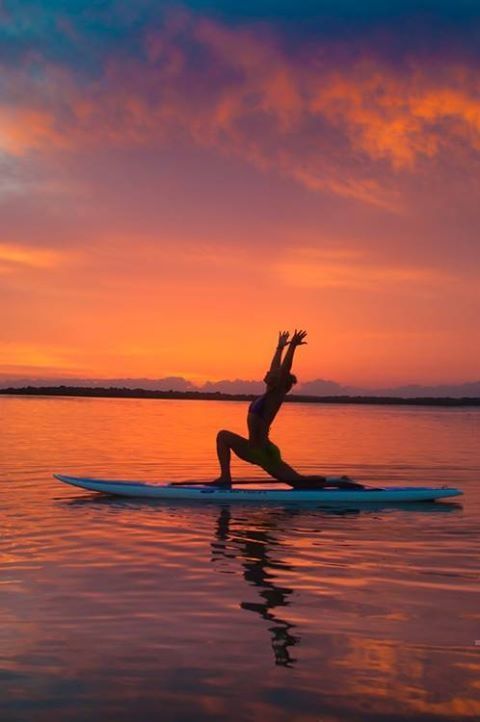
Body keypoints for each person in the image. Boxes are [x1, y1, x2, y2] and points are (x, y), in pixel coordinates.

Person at [211, 330, 364, 489]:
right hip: (256, 449)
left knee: (300, 484)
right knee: (223, 436)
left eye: (273, 375)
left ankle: (340, 483)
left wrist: (292, 347)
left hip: (262, 453)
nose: (268, 373)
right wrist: (279, 347)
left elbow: (283, 370)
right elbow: (276, 368)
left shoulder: (275, 397)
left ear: (279, 383)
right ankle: (337, 480)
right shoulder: (269, 392)